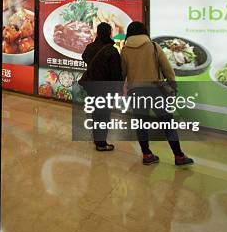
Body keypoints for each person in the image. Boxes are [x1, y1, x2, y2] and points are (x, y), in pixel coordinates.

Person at [121, 21, 194, 166]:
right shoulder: (153, 46)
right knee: (167, 123)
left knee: (141, 124)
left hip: (135, 92)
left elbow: (123, 73)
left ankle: (147, 155)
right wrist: (173, 85)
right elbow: (168, 69)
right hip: (155, 90)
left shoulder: (125, 50)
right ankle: (179, 156)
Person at [81, 22, 122, 151]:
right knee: (104, 115)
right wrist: (119, 90)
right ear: (109, 33)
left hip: (92, 85)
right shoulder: (111, 50)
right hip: (105, 88)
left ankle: (96, 137)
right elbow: (116, 72)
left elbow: (85, 57)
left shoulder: (90, 47)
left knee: (96, 112)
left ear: (98, 33)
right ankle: (101, 143)